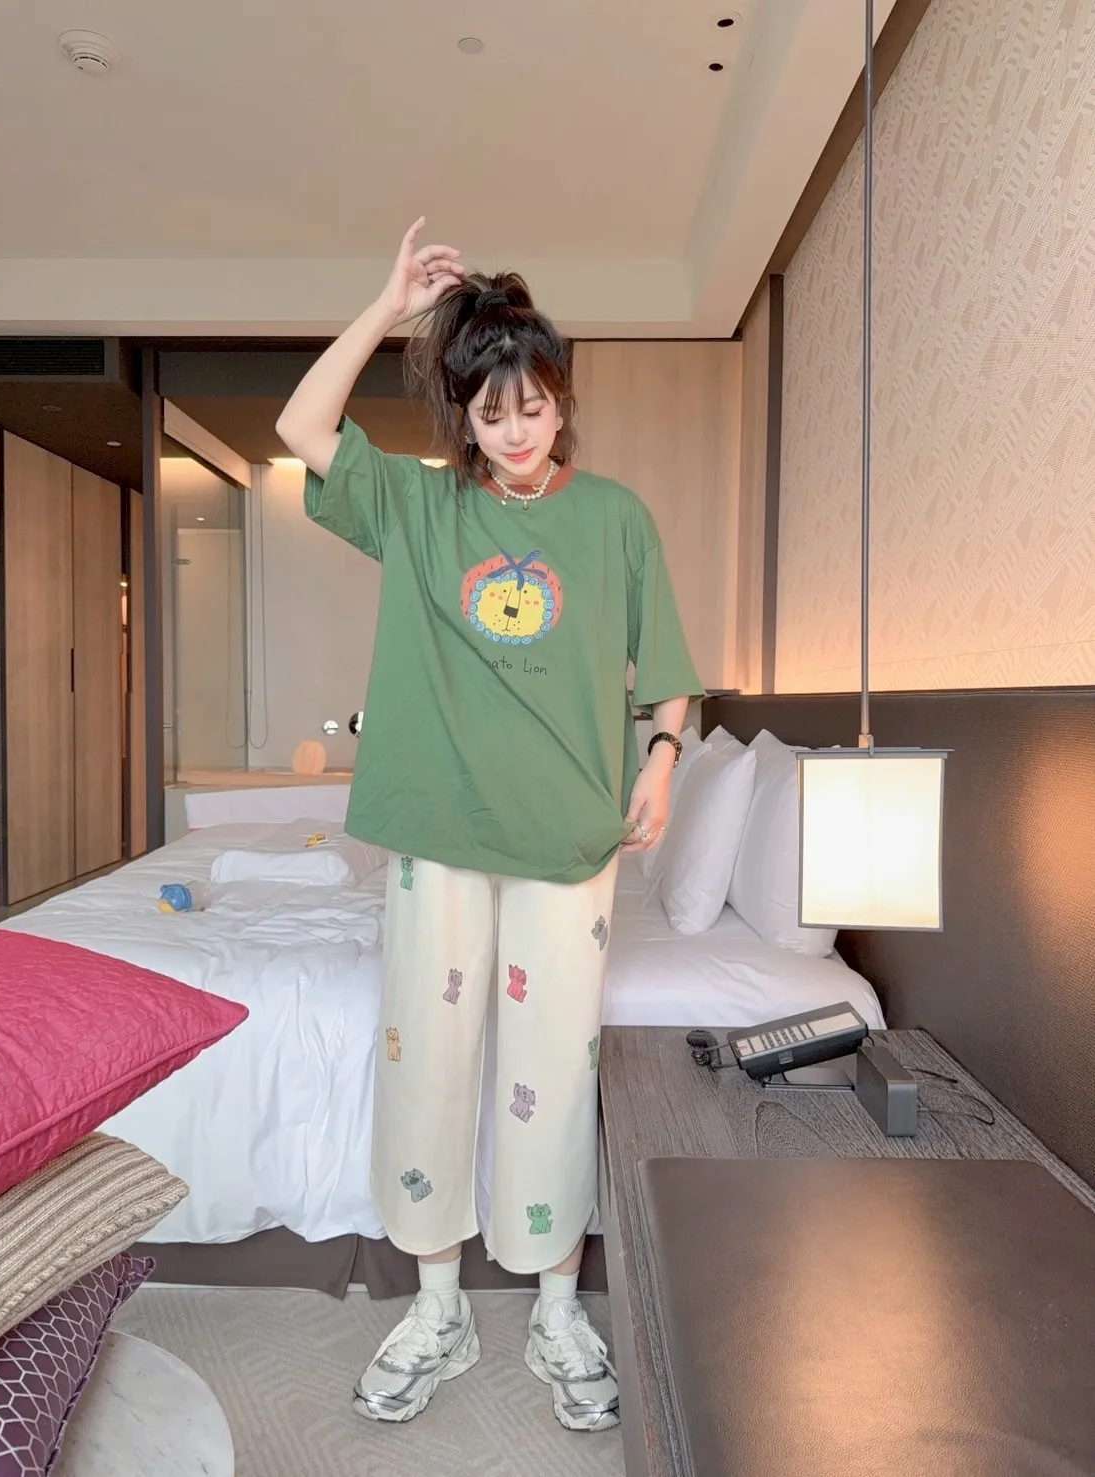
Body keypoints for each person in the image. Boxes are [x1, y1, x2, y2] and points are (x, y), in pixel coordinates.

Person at [276, 218, 703, 1432]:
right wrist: (385, 305)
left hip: (567, 844)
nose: (516, 432)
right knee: (428, 1061)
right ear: (462, 419)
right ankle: (438, 1305)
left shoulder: (615, 518)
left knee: (550, 1075)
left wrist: (663, 759)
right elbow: (302, 428)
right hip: (438, 830)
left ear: (561, 403)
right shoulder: (419, 509)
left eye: (534, 407)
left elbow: (666, 671)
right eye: (491, 412)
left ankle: (557, 1307)